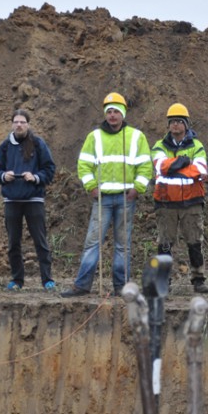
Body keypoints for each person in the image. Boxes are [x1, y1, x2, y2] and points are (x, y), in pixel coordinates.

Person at [61, 92, 153, 297]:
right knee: (93, 242)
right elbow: (84, 165)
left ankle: (121, 287)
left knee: (123, 245)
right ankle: (82, 285)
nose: (112, 115)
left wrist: (137, 188)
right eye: (109, 111)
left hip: (125, 198)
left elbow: (146, 166)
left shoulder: (136, 137)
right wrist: (91, 186)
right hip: (101, 198)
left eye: (116, 111)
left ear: (123, 113)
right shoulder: (94, 137)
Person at [0, 109, 58, 291]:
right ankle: (17, 280)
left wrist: (35, 177)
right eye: (16, 122)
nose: (19, 125)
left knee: (40, 240)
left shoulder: (38, 144)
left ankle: (47, 280)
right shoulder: (5, 146)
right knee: (13, 242)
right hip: (12, 200)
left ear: (28, 124)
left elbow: (49, 168)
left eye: (22, 122)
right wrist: (5, 176)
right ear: (12, 124)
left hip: (34, 199)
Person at [151, 103, 208, 293]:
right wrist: (184, 163)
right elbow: (160, 166)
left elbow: (200, 168)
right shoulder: (159, 146)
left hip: (191, 203)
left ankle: (198, 278)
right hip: (166, 203)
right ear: (168, 126)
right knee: (165, 243)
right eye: (172, 122)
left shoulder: (197, 145)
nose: (175, 125)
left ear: (186, 124)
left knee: (194, 241)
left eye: (179, 122)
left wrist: (174, 166)